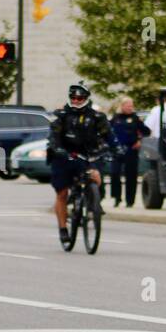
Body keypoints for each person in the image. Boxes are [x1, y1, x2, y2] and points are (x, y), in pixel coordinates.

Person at [48, 82, 114, 245]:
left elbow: (109, 136)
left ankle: (92, 206)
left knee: (96, 178)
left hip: (86, 155)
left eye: (80, 98)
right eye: (74, 98)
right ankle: (63, 229)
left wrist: (116, 148)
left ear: (86, 99)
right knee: (62, 193)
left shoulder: (96, 116)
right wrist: (58, 150)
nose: (76, 101)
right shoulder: (62, 116)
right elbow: (54, 138)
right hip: (64, 156)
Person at [108, 96, 150, 208]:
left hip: (131, 149)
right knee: (115, 173)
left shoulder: (135, 118)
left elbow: (146, 131)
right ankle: (117, 198)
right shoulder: (116, 118)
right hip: (117, 149)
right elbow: (107, 131)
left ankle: (130, 201)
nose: (130, 108)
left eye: (132, 106)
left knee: (131, 175)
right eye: (128, 105)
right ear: (122, 106)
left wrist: (140, 141)